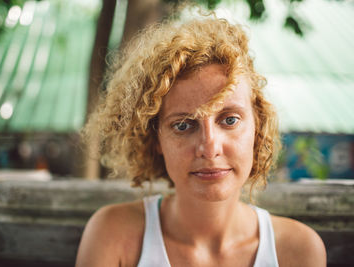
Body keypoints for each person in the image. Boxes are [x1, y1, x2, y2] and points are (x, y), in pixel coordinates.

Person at [75, 15, 326, 267]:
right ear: (155, 140)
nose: (209, 148)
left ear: (257, 126)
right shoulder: (113, 235)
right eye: (183, 125)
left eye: (229, 120)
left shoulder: (298, 251)